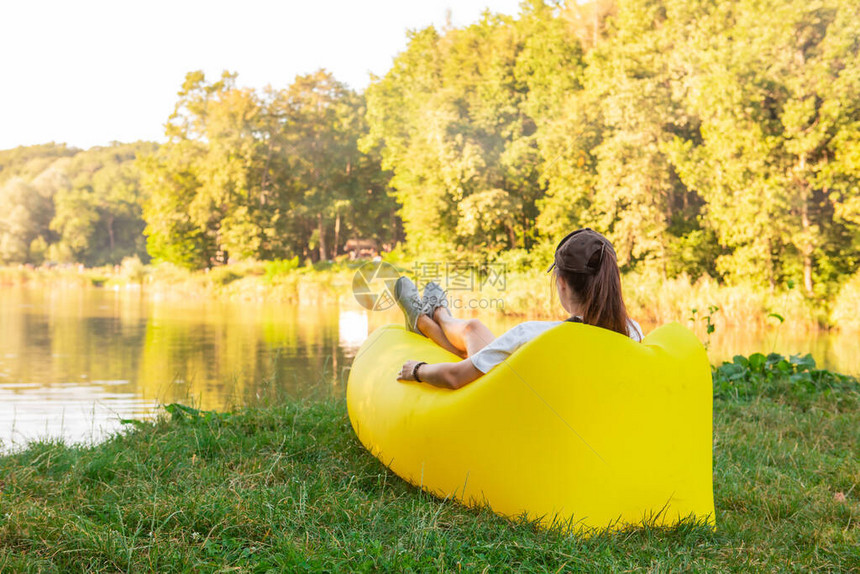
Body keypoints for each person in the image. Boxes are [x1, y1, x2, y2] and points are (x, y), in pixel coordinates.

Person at [394, 228, 643, 389]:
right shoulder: (633, 332)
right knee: (474, 329)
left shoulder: (532, 335)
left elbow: (455, 378)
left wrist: (417, 370)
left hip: (501, 403)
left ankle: (429, 318)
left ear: (562, 283)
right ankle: (434, 315)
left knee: (473, 332)